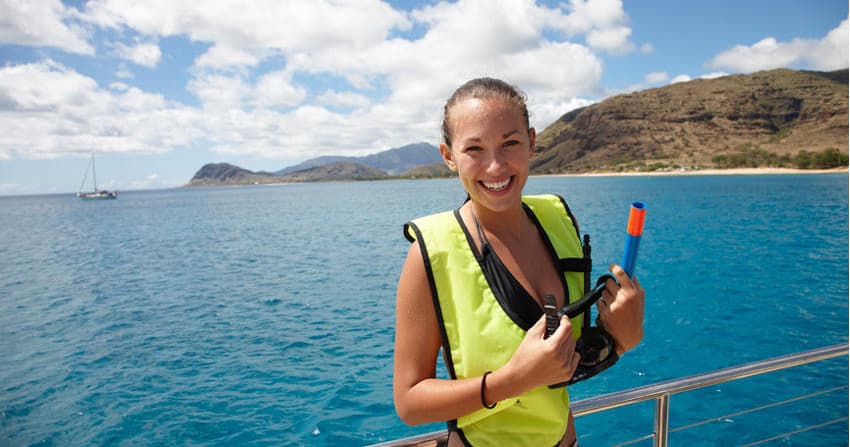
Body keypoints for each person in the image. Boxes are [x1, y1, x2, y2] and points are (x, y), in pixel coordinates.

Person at [393, 77, 645, 447]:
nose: (495, 166)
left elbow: (559, 368)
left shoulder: (559, 221)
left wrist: (622, 339)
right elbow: (410, 402)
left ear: (532, 142)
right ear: (449, 156)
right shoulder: (432, 252)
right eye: (474, 149)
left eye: (510, 143)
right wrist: (512, 380)